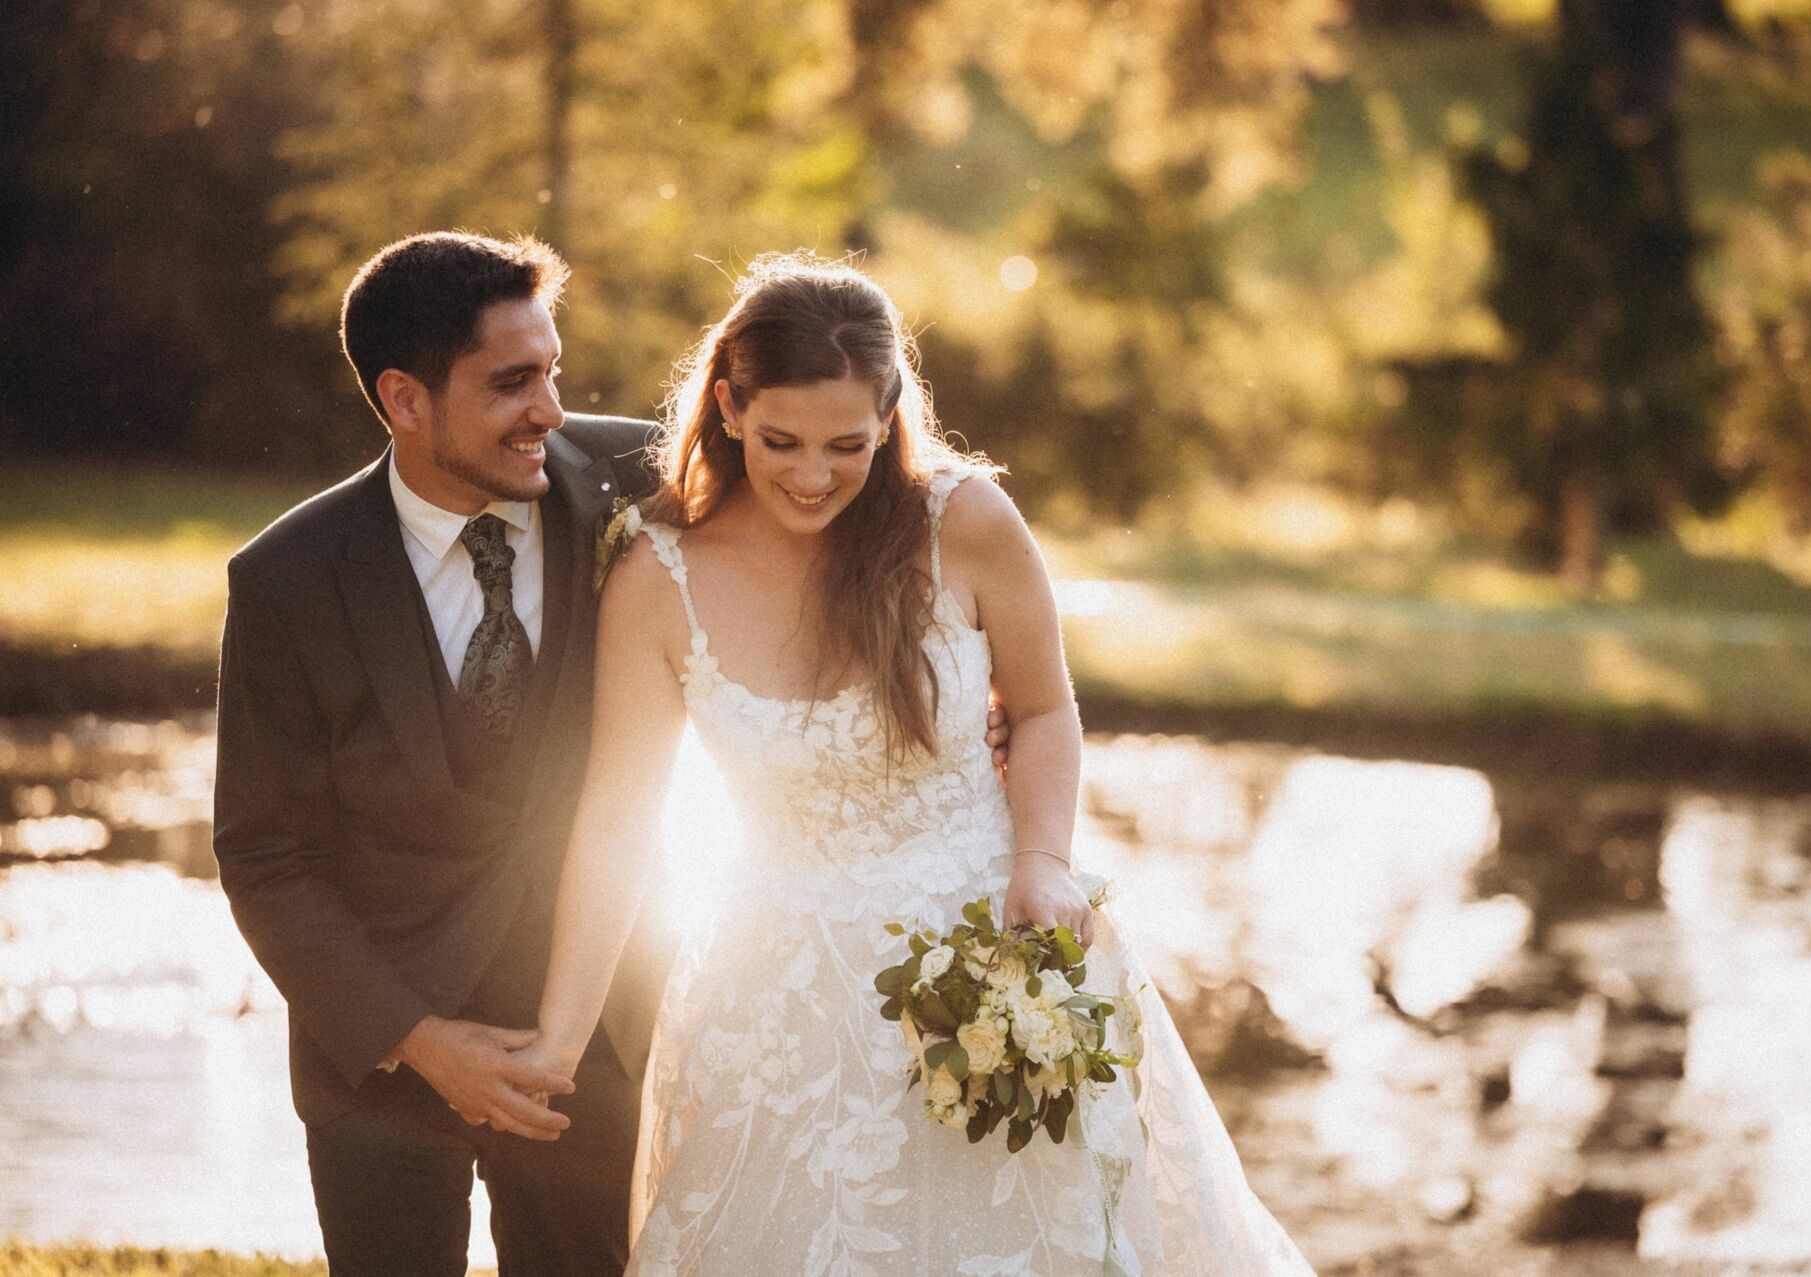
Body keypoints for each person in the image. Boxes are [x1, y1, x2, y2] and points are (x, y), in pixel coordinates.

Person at [516, 252, 1316, 1274]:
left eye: (847, 444)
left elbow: (1042, 709)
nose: (813, 475)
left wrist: (1044, 858)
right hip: (776, 994)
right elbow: (617, 822)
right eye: (780, 442)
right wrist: (556, 1035)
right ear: (728, 405)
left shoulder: (967, 523)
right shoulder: (657, 579)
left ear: (890, 408)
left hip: (987, 949)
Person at [212, 231, 665, 1275]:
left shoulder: (636, 478)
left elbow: (836, 489)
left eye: (551, 370)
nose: (549, 410)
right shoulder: (288, 579)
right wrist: (419, 1037)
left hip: (592, 1031)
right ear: (406, 398)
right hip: (377, 1059)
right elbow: (265, 855)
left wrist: (982, 688)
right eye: (512, 383)